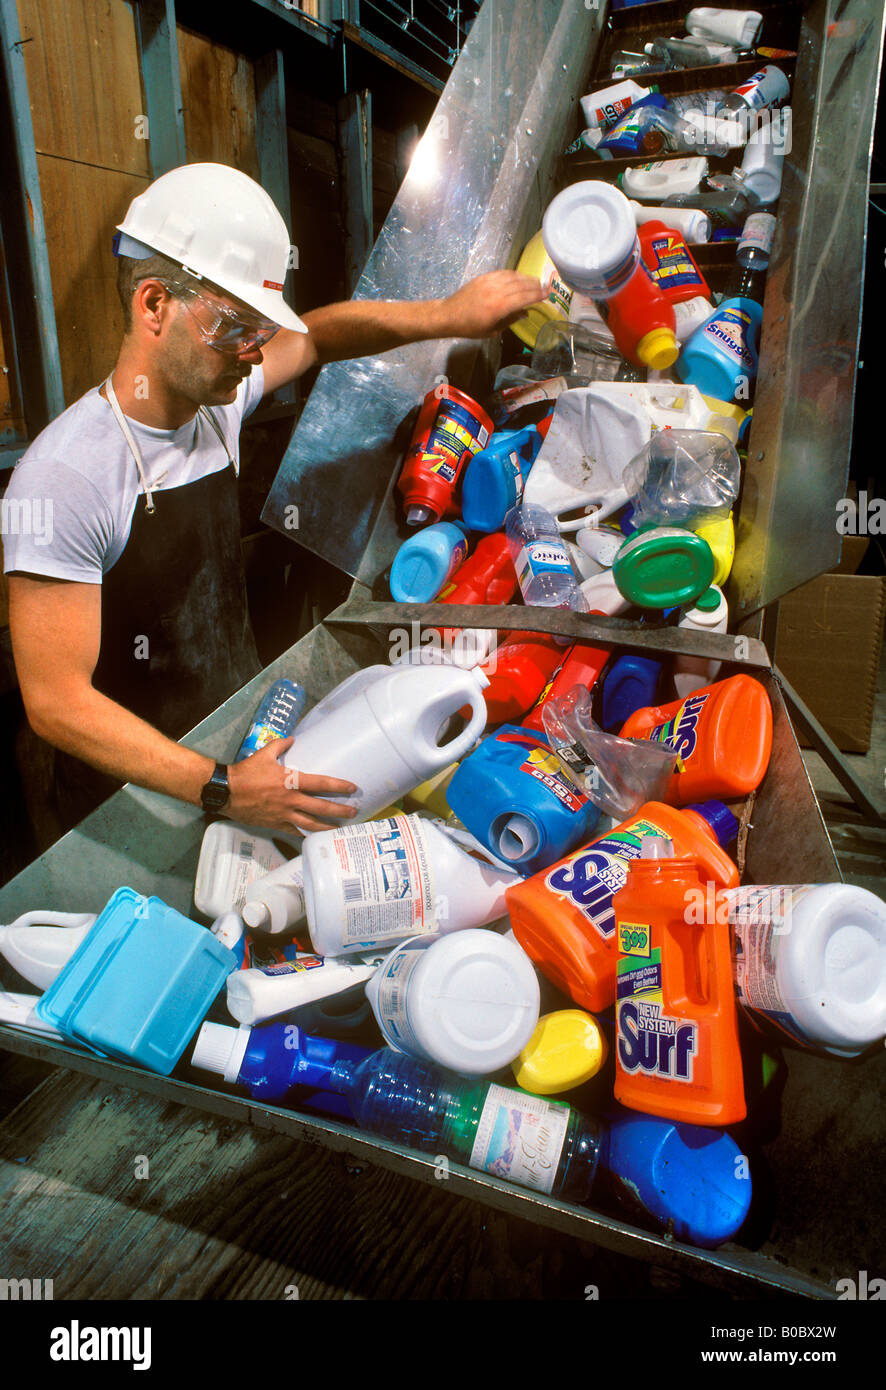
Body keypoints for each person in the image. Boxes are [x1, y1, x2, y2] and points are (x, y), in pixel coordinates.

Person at [3, 163, 542, 838]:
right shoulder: (68, 476)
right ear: (152, 305)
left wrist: (447, 316)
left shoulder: (214, 408)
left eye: (259, 329)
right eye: (235, 328)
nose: (255, 354)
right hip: (133, 809)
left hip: (234, 756)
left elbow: (315, 336)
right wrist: (222, 789)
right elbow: (56, 703)